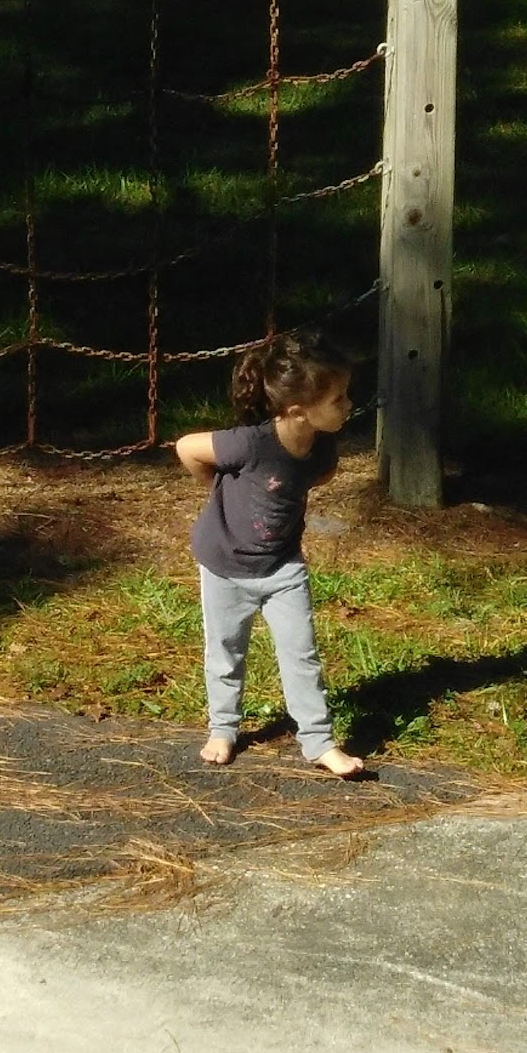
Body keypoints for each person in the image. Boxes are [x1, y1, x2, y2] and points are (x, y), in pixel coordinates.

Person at [173, 329, 365, 778]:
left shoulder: (323, 448)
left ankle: (318, 742)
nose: (348, 405)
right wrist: (218, 490)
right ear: (298, 411)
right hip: (224, 564)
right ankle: (223, 728)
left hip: (282, 566)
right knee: (225, 649)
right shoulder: (251, 444)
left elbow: (316, 478)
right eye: (338, 398)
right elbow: (186, 448)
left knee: (302, 652)